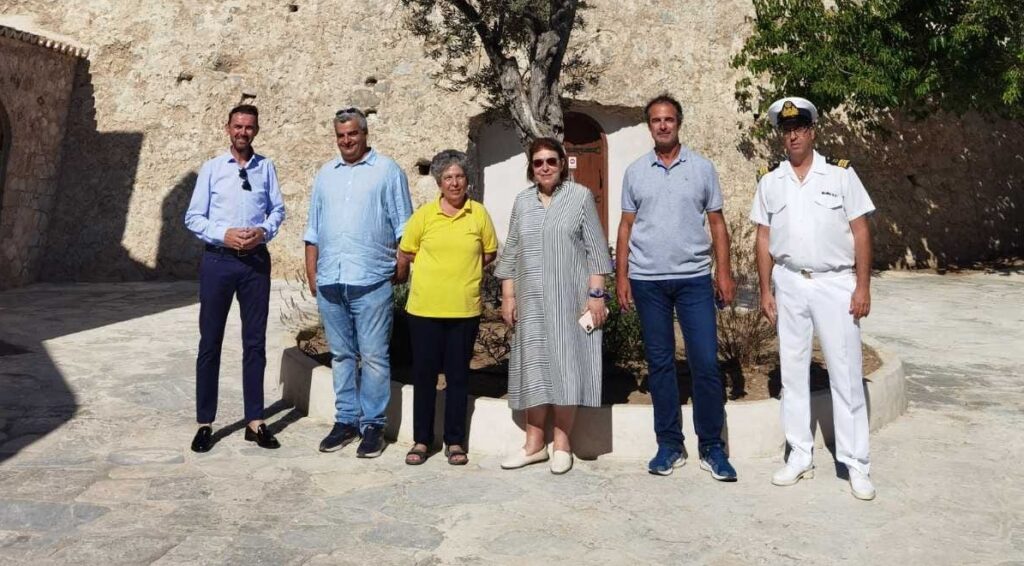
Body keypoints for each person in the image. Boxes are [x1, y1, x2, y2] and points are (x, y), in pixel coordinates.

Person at [750, 96, 877, 500]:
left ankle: (856, 463)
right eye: (787, 130)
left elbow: (860, 231)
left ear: (812, 131)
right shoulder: (771, 180)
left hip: (834, 283)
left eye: (800, 128)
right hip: (789, 282)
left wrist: (862, 286)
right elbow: (763, 237)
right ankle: (800, 454)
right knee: (792, 373)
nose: (793, 136)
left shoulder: (840, 174)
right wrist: (765, 289)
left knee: (845, 373)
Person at [616, 94, 738, 480]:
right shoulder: (635, 172)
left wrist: (723, 273)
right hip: (648, 281)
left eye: (669, 119)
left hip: (694, 279)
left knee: (705, 362)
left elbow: (717, 223)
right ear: (649, 126)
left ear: (679, 123)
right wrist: (622, 276)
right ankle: (669, 444)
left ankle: (712, 446)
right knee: (660, 363)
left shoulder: (702, 168)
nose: (663, 125)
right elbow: (626, 226)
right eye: (656, 120)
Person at [494, 137, 611, 475]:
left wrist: (596, 296)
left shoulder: (580, 197)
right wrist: (508, 295)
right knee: (534, 367)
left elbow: (596, 251)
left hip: (570, 301)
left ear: (562, 164)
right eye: (538, 163)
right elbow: (511, 251)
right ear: (531, 168)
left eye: (550, 161)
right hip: (530, 302)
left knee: (566, 367)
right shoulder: (522, 201)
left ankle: (562, 444)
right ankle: (533, 446)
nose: (544, 167)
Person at [304, 107, 413, 458]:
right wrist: (312, 273)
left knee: (375, 357)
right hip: (331, 280)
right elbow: (313, 229)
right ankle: (346, 421)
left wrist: (402, 265)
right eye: (341, 135)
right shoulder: (325, 175)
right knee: (341, 356)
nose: (347, 140)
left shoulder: (387, 171)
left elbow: (405, 226)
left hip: (371, 280)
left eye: (353, 133)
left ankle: (373, 426)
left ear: (365, 134)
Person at [184, 104, 286, 453]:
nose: (243, 132)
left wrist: (263, 231)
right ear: (228, 128)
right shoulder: (212, 169)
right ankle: (204, 422)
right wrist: (223, 234)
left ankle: (255, 421)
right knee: (210, 341)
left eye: (249, 127)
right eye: (238, 126)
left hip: (255, 263)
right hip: (218, 261)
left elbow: (277, 210)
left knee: (254, 342)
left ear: (256, 130)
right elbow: (193, 217)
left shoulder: (266, 167)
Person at [397, 150, 498, 466]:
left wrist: (463, 270)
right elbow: (407, 251)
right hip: (424, 310)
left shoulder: (478, 214)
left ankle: (455, 442)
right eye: (448, 178)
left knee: (458, 378)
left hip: (464, 310)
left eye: (459, 177)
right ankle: (421, 440)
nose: (454, 183)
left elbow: (489, 253)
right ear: (439, 182)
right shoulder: (424, 216)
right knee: (424, 376)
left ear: (467, 180)